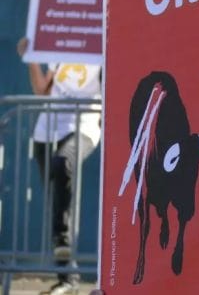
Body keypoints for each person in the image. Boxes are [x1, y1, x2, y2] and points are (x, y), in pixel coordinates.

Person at [17, 37, 102, 295]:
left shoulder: (102, 51)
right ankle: (68, 279)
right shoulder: (62, 47)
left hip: (84, 125)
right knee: (56, 200)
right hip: (47, 130)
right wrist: (31, 58)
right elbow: (42, 90)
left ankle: (65, 248)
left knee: (64, 162)